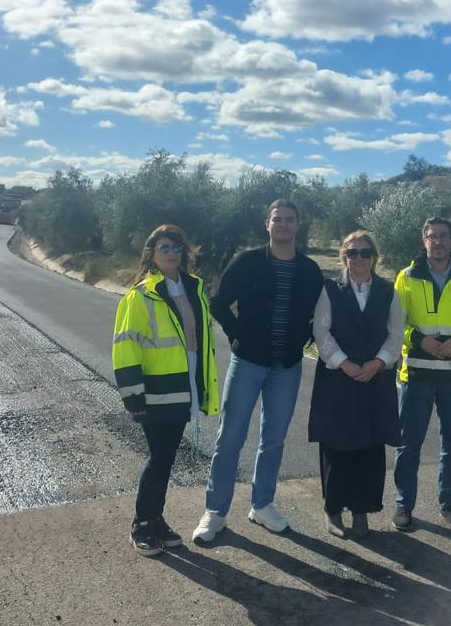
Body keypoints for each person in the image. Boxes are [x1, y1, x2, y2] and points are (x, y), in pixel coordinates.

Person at [192, 199, 324, 542]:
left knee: (274, 439)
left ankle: (262, 504)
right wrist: (239, 335)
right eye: (277, 219)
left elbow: (320, 313)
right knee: (230, 438)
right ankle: (216, 512)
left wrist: (305, 337)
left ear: (298, 226)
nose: (283, 225)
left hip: (288, 367)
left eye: (289, 220)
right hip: (247, 362)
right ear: (267, 225)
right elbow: (218, 302)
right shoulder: (247, 262)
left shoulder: (309, 270)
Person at [112, 225, 219, 557]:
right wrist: (134, 398)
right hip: (156, 391)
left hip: (184, 386)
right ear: (151, 254)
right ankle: (142, 524)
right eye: (164, 247)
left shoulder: (194, 288)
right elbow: (126, 348)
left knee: (166, 458)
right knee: (159, 458)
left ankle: (155, 519)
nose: (172, 253)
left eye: (176, 247)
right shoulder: (141, 295)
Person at [391, 217, 451, 533]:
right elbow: (394, 325)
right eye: (433, 237)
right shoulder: (406, 278)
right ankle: (404, 505)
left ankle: (449, 505)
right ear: (424, 241)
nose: (439, 242)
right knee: (408, 443)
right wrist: (419, 339)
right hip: (415, 376)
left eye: (444, 236)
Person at [309, 231, 402, 539]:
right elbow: (322, 333)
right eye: (352, 253)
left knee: (370, 445)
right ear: (343, 257)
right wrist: (345, 363)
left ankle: (361, 510)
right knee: (336, 445)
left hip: (375, 376)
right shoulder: (328, 289)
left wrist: (378, 363)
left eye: (364, 253)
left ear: (374, 257)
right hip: (338, 376)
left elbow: (396, 334)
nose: (358, 259)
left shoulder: (388, 290)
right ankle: (333, 509)